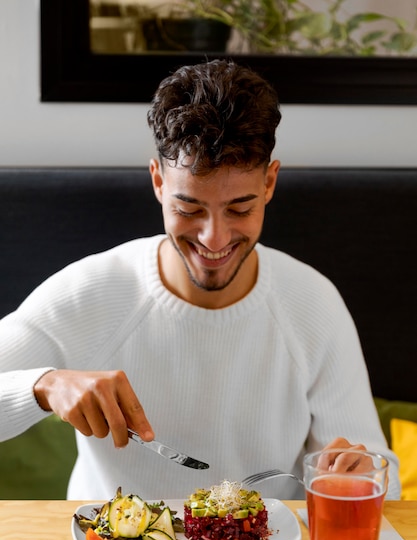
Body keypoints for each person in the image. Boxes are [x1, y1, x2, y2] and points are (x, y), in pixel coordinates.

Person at [0, 59, 400, 500]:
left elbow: (382, 479)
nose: (214, 238)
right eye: (189, 209)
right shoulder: (92, 290)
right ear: (157, 181)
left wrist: (361, 475)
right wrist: (42, 386)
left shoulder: (314, 303)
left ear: (269, 183)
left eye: (240, 209)